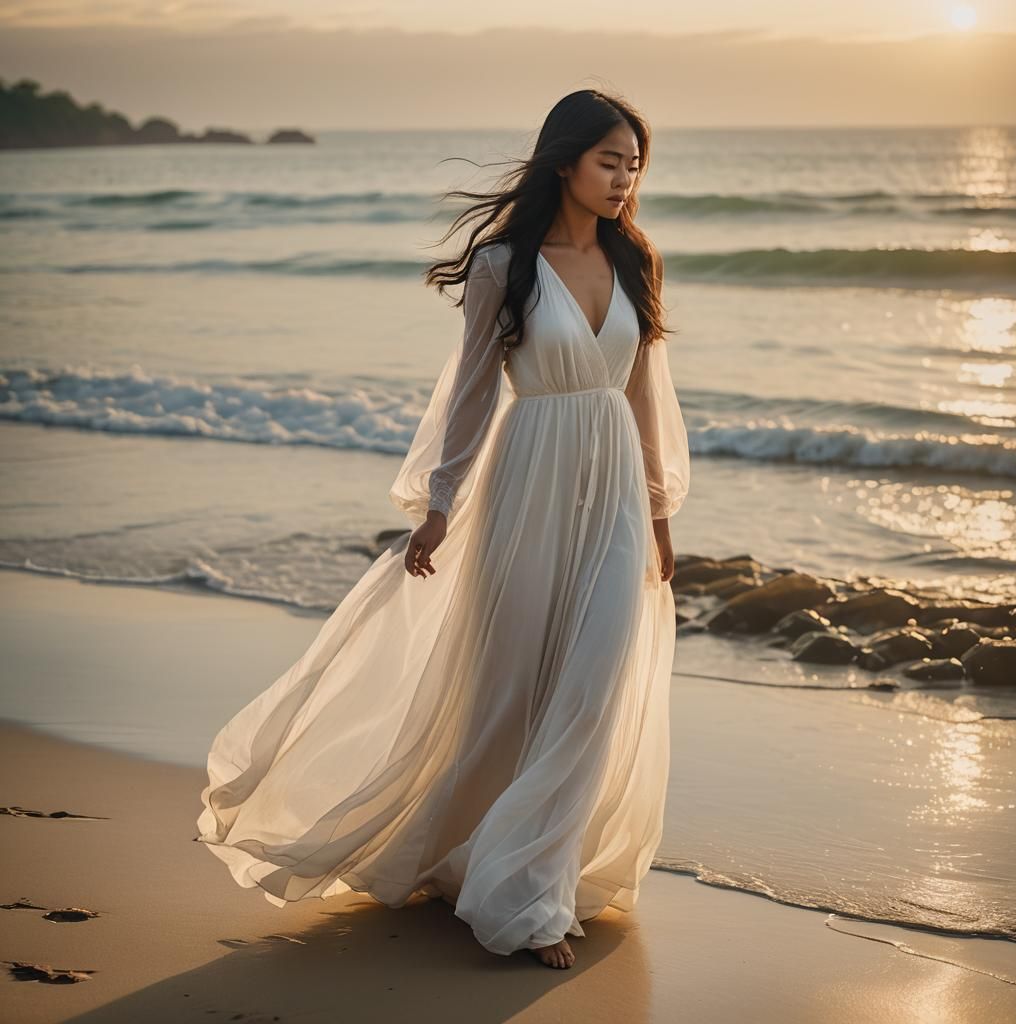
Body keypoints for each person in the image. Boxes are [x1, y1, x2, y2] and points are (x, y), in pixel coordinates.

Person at [195, 88, 690, 972]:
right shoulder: (506, 264)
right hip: (527, 477)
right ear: (565, 161)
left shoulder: (637, 258)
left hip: (612, 483)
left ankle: (533, 882)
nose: (624, 179)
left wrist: (658, 512)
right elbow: (468, 393)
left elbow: (646, 395)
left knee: (594, 686)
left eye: (634, 165)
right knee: (506, 686)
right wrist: (439, 504)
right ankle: (490, 866)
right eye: (610, 160)